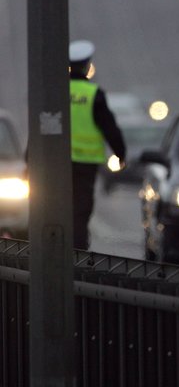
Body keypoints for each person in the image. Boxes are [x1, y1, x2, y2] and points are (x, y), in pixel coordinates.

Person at [69, 39, 126, 249]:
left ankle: (54, 248)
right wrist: (121, 154)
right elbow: (110, 127)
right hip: (85, 164)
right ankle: (77, 254)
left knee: (54, 205)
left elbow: (42, 123)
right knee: (80, 209)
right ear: (86, 65)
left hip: (55, 163)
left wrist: (31, 159)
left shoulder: (54, 92)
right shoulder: (93, 94)